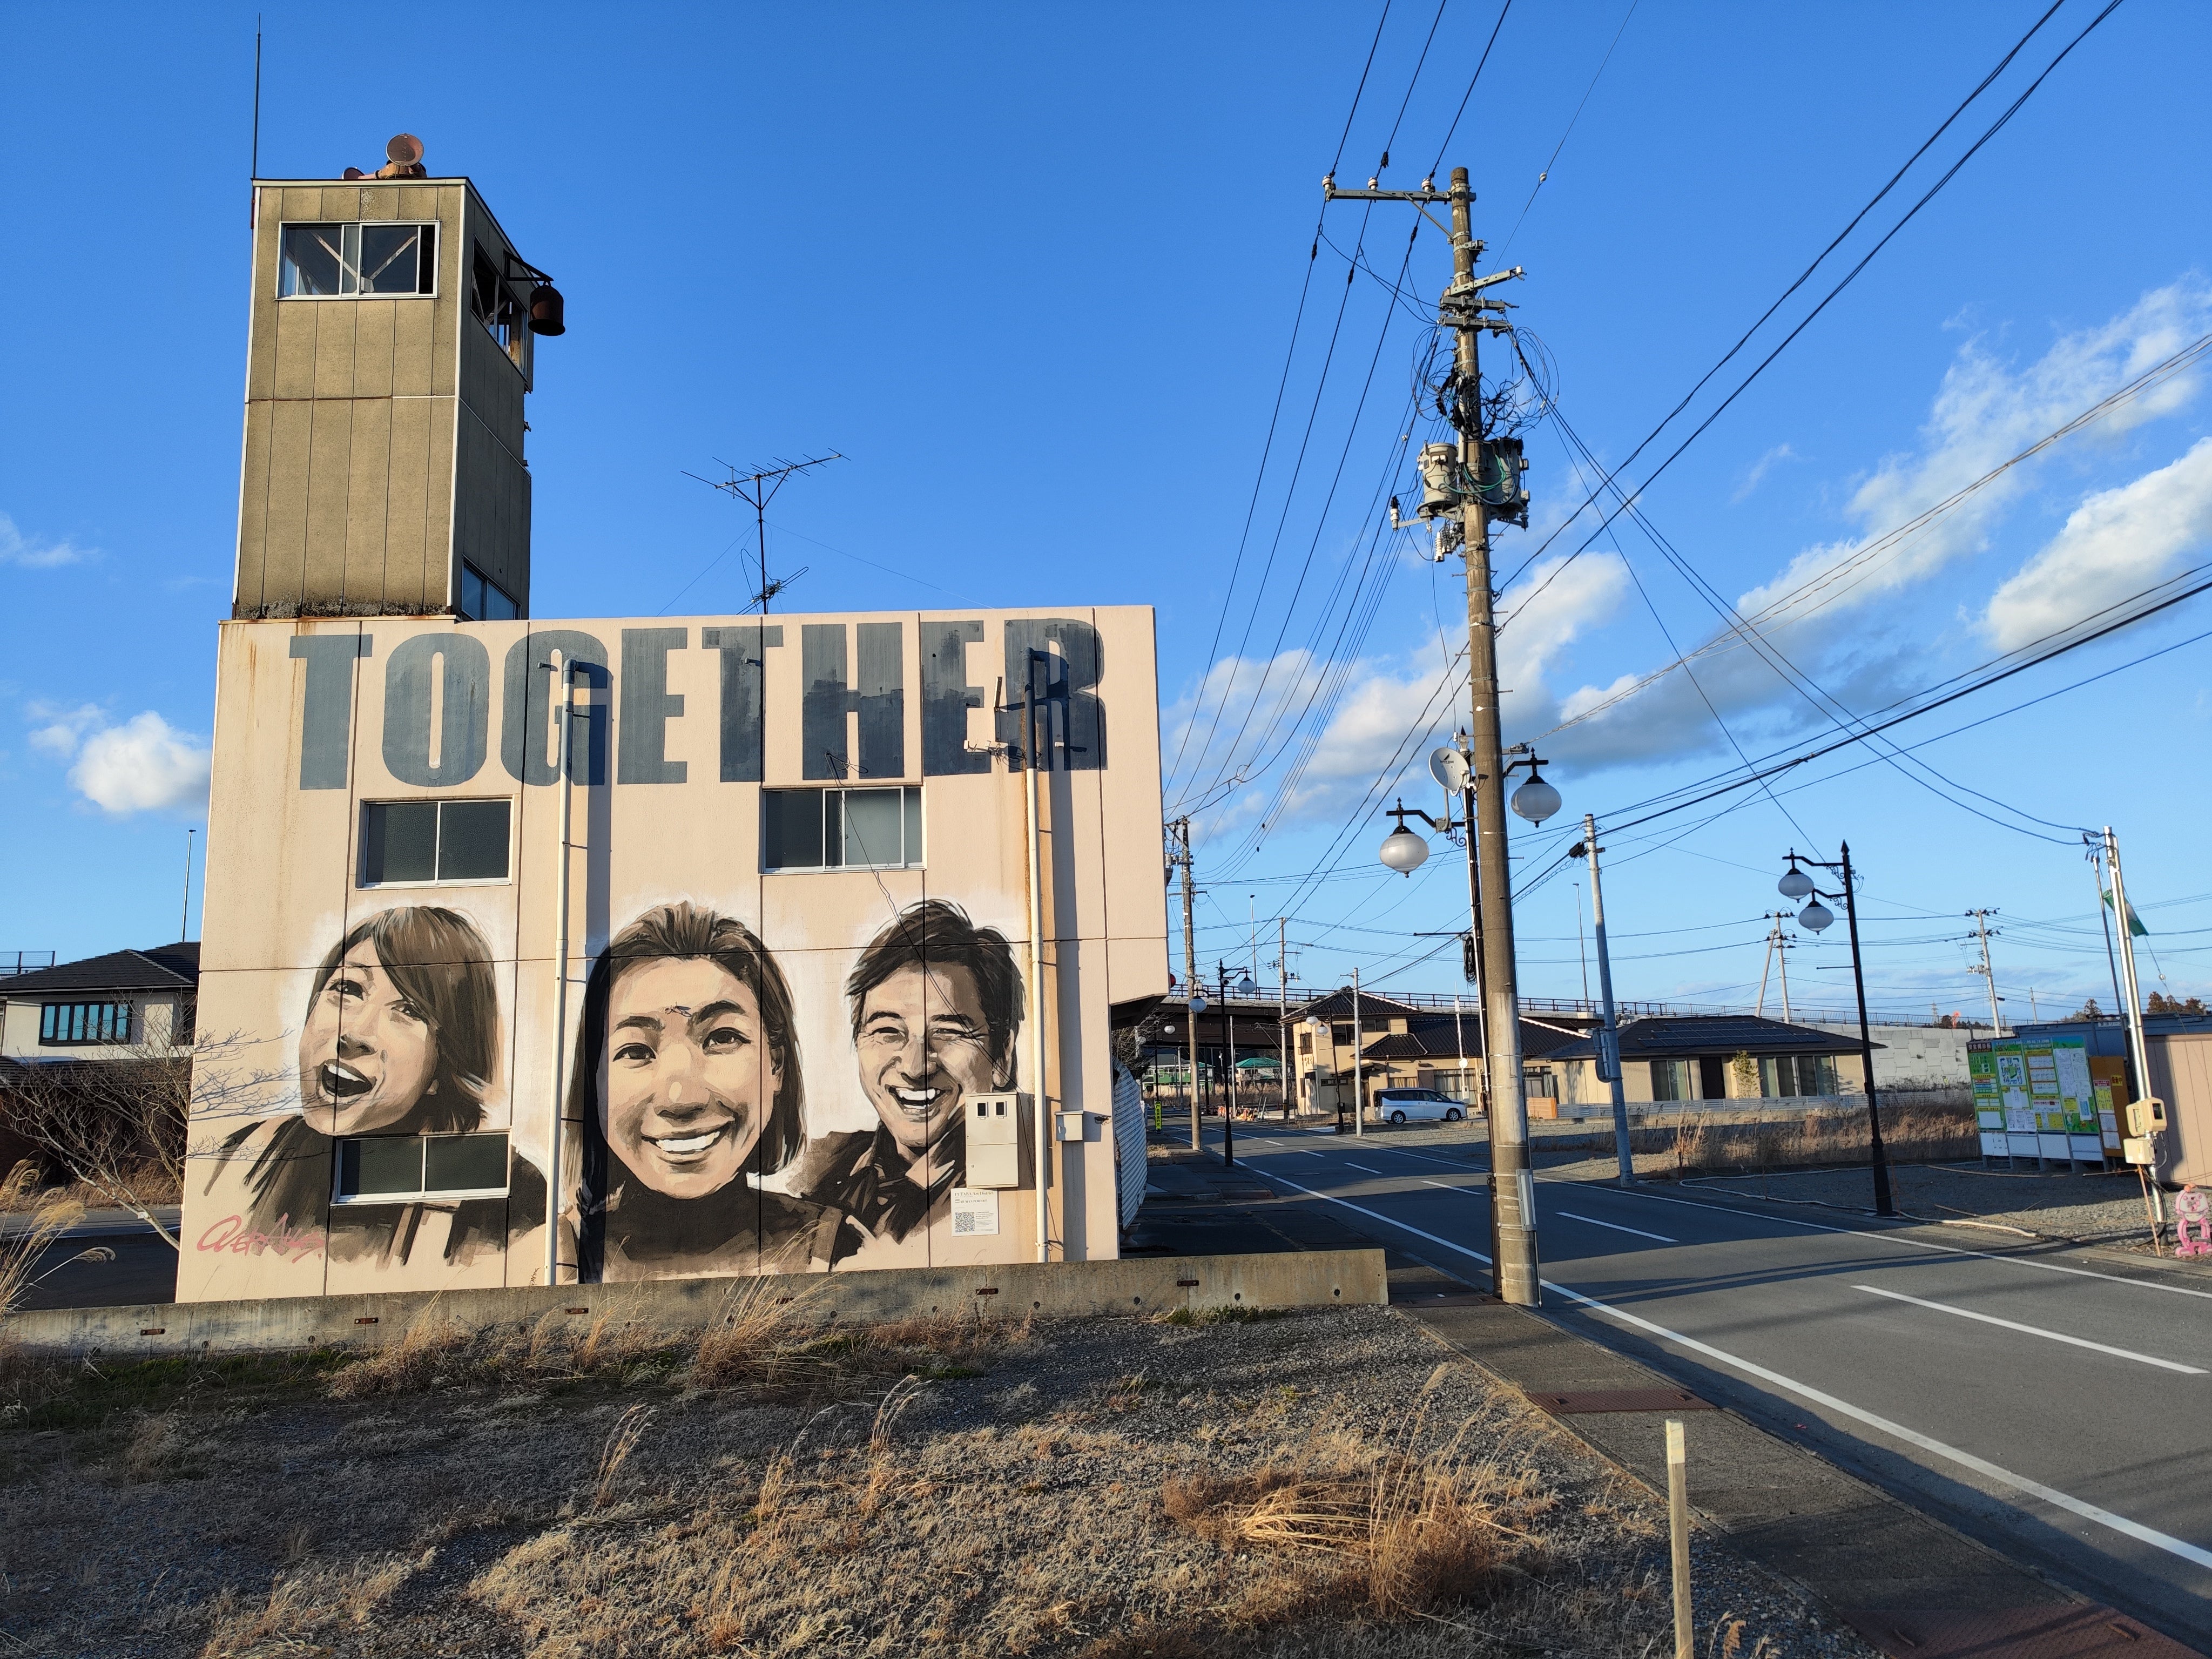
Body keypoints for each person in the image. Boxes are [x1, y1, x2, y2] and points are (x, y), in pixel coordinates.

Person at [212, 905, 529, 1269]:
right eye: (348, 989)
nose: (355, 1033)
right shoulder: (245, 1155)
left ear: (446, 1064)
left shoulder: (514, 1194)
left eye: (409, 1010)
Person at [565, 902, 845, 1280]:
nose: (680, 1098)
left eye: (722, 1038)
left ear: (775, 1064)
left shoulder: (837, 1246)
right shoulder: (556, 1251)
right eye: (635, 1051)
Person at [796, 900, 1023, 1257]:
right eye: (888, 1031)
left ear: (1002, 1055)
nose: (916, 1068)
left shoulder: (1030, 1176)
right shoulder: (821, 1170)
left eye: (948, 1032)